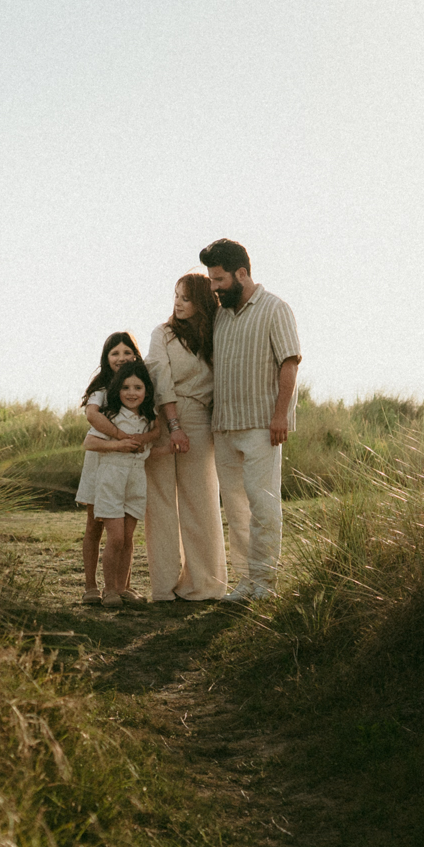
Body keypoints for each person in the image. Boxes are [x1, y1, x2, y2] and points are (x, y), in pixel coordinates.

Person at [199, 238, 301, 602]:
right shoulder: (222, 316)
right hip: (225, 426)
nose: (214, 287)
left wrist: (280, 416)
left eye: (220, 279)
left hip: (262, 426)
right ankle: (246, 582)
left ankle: (266, 584)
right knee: (237, 510)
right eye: (211, 280)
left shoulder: (276, 308)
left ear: (242, 273)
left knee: (263, 505)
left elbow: (289, 364)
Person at [144, 274, 228, 602]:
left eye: (185, 298)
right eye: (175, 296)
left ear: (201, 302)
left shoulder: (215, 334)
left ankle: (204, 584)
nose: (177, 303)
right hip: (164, 416)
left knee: (201, 500)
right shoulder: (161, 333)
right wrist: (174, 425)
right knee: (161, 502)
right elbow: (159, 376)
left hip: (200, 418)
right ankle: (164, 587)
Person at [81, 361, 160, 608]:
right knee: (115, 537)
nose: (132, 393)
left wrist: (174, 448)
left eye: (138, 387)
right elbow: (90, 443)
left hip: (136, 480)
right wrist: (118, 444)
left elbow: (151, 445)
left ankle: (123, 588)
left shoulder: (148, 420)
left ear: (147, 390)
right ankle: (109, 589)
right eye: (126, 387)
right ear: (117, 391)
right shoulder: (111, 417)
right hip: (111, 479)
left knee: (127, 538)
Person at [74, 331, 143, 603]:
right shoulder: (101, 390)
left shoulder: (137, 387)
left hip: (126, 465)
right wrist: (120, 437)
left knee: (125, 529)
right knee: (95, 525)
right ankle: (91, 585)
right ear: (106, 358)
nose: (122, 358)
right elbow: (92, 415)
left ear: (136, 355)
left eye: (127, 352)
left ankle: (120, 585)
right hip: (100, 461)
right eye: (115, 353)